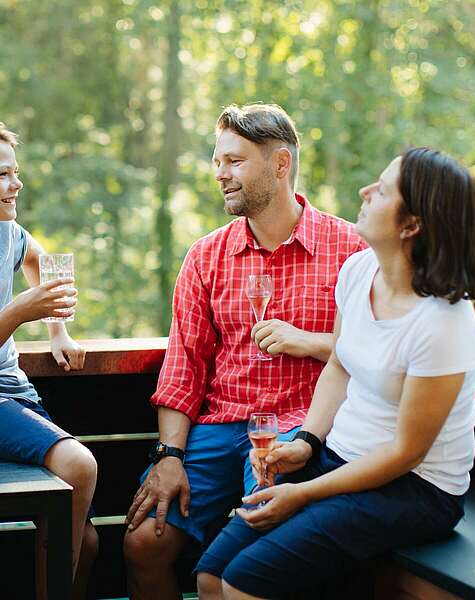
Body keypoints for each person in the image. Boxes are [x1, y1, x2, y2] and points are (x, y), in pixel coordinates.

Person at [195, 147, 475, 600]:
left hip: (415, 489)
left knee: (244, 583)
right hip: (340, 457)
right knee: (211, 576)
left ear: (412, 225)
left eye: (383, 189)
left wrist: (306, 493)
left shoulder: (443, 321)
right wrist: (305, 443)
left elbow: (406, 453)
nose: (365, 191)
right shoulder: (358, 271)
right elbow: (337, 366)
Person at [123, 103, 365, 599]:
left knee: (253, 548)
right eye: (217, 162)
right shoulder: (205, 255)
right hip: (218, 427)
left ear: (280, 164)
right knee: (145, 540)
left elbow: (374, 353)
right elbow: (183, 365)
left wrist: (309, 342)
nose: (220, 175)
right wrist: (170, 455)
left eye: (234, 161)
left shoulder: (351, 250)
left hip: (300, 427)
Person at [0, 117, 98, 599]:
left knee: (87, 542)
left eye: (16, 171)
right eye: (4, 174)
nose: (17, 183)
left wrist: (58, 331)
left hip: (13, 396)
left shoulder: (8, 234)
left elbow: (42, 262)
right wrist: (16, 313)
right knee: (81, 466)